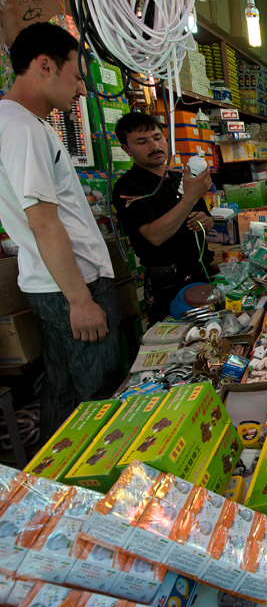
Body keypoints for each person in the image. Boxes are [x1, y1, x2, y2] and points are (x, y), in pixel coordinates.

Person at [0, 22, 121, 441]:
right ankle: (98, 494)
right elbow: (43, 221)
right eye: (76, 75)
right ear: (45, 65)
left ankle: (55, 487)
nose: (82, 90)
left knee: (63, 390)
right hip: (73, 285)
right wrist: (80, 300)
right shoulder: (22, 129)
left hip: (51, 284)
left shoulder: (18, 123)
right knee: (97, 396)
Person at [112, 112, 214, 325]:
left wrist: (205, 221)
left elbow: (208, 219)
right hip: (167, 281)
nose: (153, 145)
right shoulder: (128, 187)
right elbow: (154, 235)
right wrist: (189, 198)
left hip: (200, 271)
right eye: (142, 141)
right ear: (126, 148)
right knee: (175, 341)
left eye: (157, 137)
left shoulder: (179, 178)